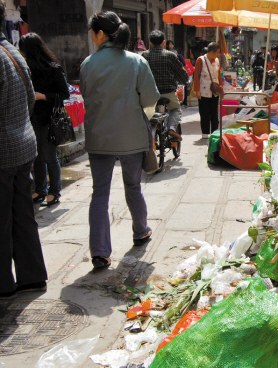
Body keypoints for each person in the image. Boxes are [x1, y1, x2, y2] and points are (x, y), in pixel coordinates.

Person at [80, 11, 160, 270]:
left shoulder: (88, 63)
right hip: (131, 135)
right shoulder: (136, 62)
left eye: (92, 32)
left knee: (99, 193)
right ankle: (140, 230)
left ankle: (100, 252)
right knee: (133, 186)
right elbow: (150, 98)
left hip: (99, 137)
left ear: (100, 34)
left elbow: (87, 96)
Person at [0, 0, 48, 297]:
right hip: (23, 143)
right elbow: (30, 98)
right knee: (23, 214)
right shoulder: (13, 52)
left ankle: (3, 282)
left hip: (4, 150)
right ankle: (31, 275)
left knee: (2, 219)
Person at [19, 32, 70, 207]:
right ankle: (40, 189)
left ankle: (54, 191)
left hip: (49, 118)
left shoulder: (53, 68)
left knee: (49, 156)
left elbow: (65, 94)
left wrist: (43, 96)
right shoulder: (24, 68)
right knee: (36, 157)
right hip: (30, 117)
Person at [142, 31, 188, 141]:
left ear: (150, 43)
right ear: (164, 42)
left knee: (146, 112)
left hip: (150, 93)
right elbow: (183, 75)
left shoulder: (144, 56)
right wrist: (183, 80)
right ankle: (171, 128)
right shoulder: (170, 55)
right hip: (168, 92)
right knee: (175, 109)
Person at [193, 42, 223, 139]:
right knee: (204, 113)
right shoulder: (200, 60)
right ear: (212, 52)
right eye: (217, 52)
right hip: (203, 90)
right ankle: (205, 133)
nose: (218, 55)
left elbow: (219, 75)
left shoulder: (217, 60)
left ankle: (214, 132)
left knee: (214, 113)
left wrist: (221, 87)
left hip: (214, 91)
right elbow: (196, 76)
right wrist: (196, 90)